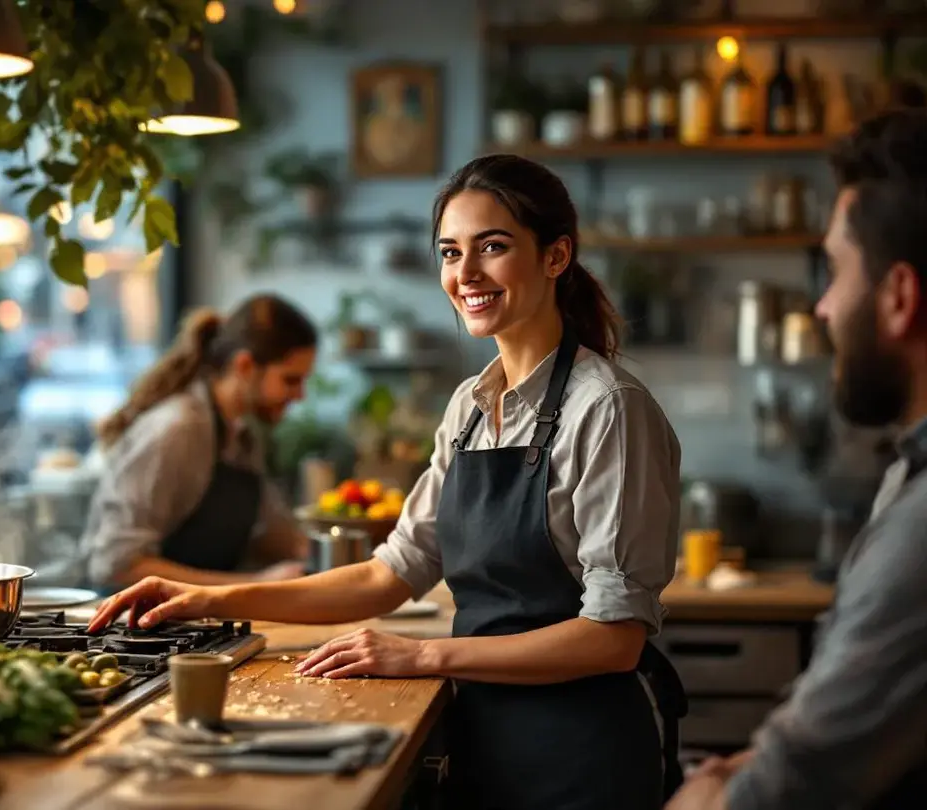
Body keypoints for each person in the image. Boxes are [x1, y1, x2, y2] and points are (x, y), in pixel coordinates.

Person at [91, 155, 688, 810]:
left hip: (580, 760)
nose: (466, 275)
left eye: (493, 247)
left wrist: (424, 655)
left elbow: (614, 639)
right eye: (450, 252)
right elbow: (391, 573)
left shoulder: (608, 409)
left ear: (555, 256)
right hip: (487, 741)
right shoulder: (469, 407)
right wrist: (210, 600)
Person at [667, 109, 927, 810]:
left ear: (900, 297)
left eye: (837, 271)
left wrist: (704, 792)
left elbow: (789, 790)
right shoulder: (910, 470)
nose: (822, 308)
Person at [79, 294, 317, 589]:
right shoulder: (177, 430)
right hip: (132, 626)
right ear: (244, 367)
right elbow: (116, 565)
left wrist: (336, 557)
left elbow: (271, 533)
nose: (300, 395)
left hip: (192, 624)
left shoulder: (242, 436)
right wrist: (248, 585)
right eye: (291, 380)